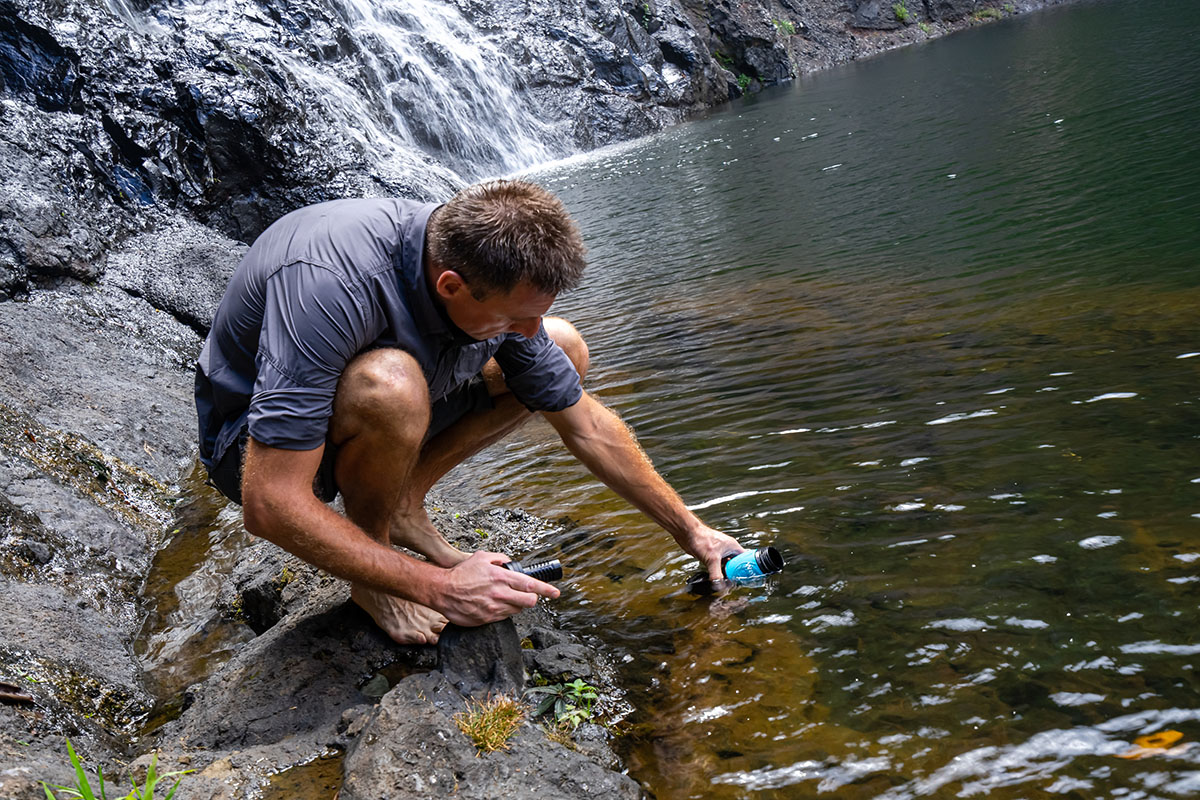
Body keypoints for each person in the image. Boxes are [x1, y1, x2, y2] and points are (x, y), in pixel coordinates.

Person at [195, 179, 743, 644]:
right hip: (251, 444)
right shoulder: (331, 285)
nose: (526, 333)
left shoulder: (470, 255)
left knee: (565, 349)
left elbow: (586, 426)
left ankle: (404, 505)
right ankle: (375, 579)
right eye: (512, 320)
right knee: (389, 385)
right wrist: (436, 587)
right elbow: (268, 501)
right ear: (450, 286)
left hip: (387, 390)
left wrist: (690, 530)